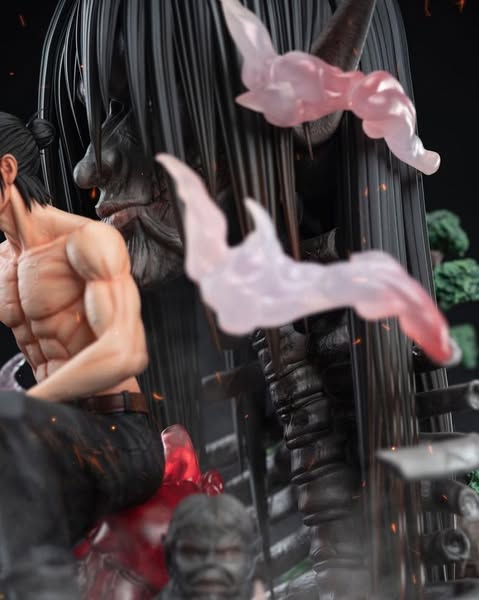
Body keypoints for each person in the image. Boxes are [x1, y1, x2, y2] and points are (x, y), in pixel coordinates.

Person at [0, 111, 164, 599]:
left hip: (120, 437)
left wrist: (27, 405)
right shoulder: (2, 266)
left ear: (6, 169)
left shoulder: (87, 242)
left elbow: (124, 350)